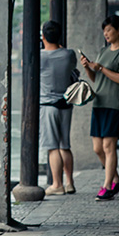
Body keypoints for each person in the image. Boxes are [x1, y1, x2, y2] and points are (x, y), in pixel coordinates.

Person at [80, 14, 119, 201]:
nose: (106, 33)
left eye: (109, 30)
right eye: (104, 31)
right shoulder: (104, 51)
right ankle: (117, 180)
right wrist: (89, 67)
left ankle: (107, 186)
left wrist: (102, 68)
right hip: (100, 102)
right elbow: (97, 78)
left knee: (108, 146)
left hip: (115, 104)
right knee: (97, 148)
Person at [39, 20, 78, 196]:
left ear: (43, 36)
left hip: (48, 106)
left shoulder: (40, 56)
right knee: (65, 145)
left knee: (53, 147)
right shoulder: (69, 54)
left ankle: (57, 184)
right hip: (66, 104)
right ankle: (69, 183)